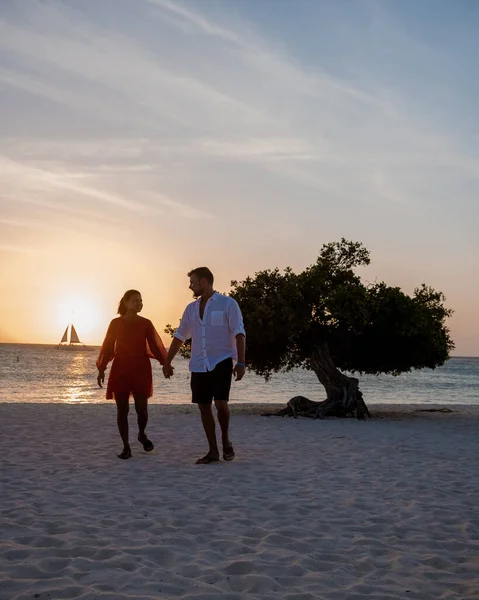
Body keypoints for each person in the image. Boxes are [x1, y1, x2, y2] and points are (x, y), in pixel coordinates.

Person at [162, 267, 246, 464]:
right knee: (204, 407)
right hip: (199, 364)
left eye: (192, 282)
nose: (190, 285)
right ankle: (213, 451)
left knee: (220, 404)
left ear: (204, 281)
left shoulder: (228, 304)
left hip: (221, 361)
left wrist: (241, 362)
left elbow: (239, 332)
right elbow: (180, 335)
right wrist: (167, 361)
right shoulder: (191, 309)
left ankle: (225, 440)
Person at [97, 290, 167, 459]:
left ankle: (142, 434)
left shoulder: (146, 323)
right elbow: (107, 347)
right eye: (135, 300)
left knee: (142, 409)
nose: (139, 303)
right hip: (120, 369)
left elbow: (155, 346)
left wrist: (165, 363)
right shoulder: (115, 323)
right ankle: (126, 446)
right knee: (122, 410)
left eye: (141, 301)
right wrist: (101, 368)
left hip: (141, 369)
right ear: (126, 302)